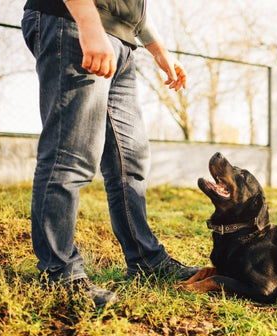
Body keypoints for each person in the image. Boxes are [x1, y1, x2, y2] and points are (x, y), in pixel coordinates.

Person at [21, 0, 200, 308]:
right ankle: (59, 273)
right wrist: (89, 26)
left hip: (122, 41)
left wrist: (160, 52)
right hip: (74, 21)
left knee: (129, 161)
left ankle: (147, 260)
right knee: (70, 155)